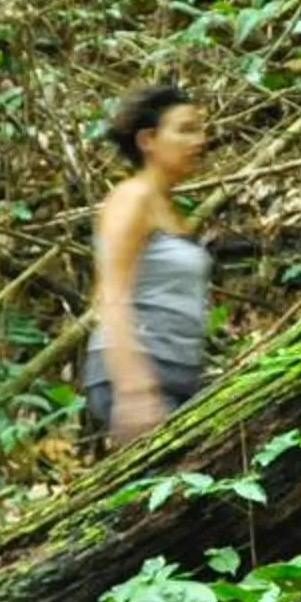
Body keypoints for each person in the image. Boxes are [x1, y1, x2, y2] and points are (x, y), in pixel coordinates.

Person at [83, 84, 212, 444]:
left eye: (200, 128)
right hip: (140, 370)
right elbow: (110, 294)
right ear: (148, 140)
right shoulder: (131, 198)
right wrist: (133, 389)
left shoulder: (167, 209)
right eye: (186, 129)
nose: (200, 140)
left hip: (174, 373)